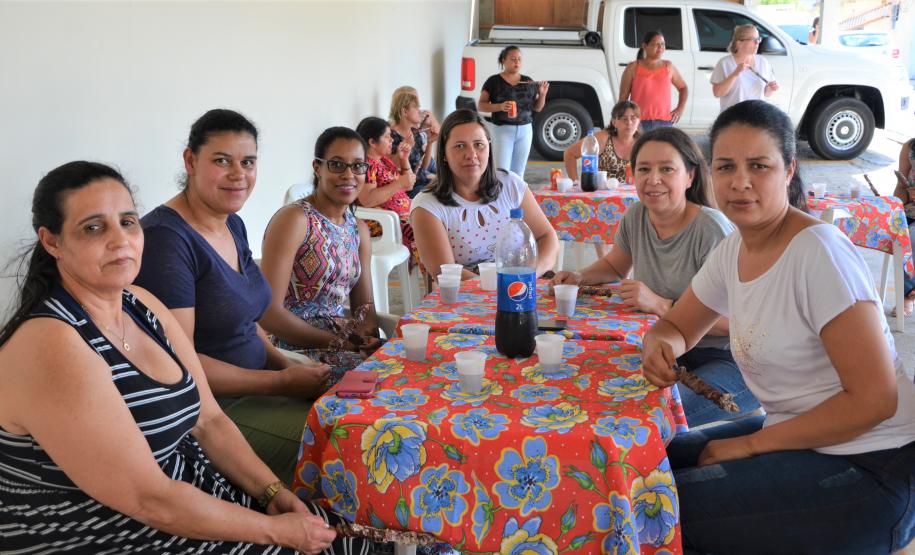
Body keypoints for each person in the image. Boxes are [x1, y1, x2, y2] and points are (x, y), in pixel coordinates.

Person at [0, 161, 367, 554]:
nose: (120, 239)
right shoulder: (51, 343)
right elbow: (148, 499)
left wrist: (273, 493)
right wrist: (276, 531)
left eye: (127, 221)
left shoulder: (140, 305)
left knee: (356, 535)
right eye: (93, 228)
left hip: (189, 505)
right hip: (115, 533)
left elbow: (209, 421)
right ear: (52, 241)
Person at [642, 100, 915, 554]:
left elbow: (876, 400)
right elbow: (677, 325)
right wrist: (660, 343)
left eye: (759, 166)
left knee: (648, 509)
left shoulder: (817, 252)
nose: (740, 182)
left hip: (873, 466)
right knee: (647, 461)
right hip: (801, 435)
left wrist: (752, 444)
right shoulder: (734, 249)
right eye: (726, 166)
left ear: (789, 170)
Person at [135, 109, 328, 484]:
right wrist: (280, 384)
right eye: (222, 161)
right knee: (347, 440)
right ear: (191, 161)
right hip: (211, 411)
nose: (238, 174)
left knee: (364, 401)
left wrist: (284, 366)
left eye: (248, 161)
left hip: (261, 379)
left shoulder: (231, 223)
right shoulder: (166, 241)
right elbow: (180, 363)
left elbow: (246, 321)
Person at [552, 127, 758, 427]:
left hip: (730, 361)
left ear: (690, 176)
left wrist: (663, 306)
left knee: (650, 418)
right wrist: (577, 276)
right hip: (666, 349)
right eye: (644, 169)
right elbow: (614, 266)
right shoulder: (637, 215)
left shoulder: (712, 230)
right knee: (592, 390)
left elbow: (744, 324)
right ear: (631, 174)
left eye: (667, 169)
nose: (653, 179)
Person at [259, 126, 381, 384]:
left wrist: (367, 338)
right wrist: (338, 342)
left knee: (405, 364)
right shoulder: (295, 219)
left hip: (341, 342)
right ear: (317, 167)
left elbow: (364, 305)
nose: (349, 175)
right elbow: (269, 314)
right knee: (382, 381)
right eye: (337, 165)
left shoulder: (358, 229)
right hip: (293, 348)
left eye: (358, 166)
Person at [410, 109, 559, 280]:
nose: (471, 155)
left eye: (479, 144)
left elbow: (547, 237)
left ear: (489, 147)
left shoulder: (510, 184)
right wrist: (499, 287)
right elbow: (445, 271)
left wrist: (530, 275)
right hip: (469, 296)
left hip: (523, 282)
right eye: (460, 146)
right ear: (444, 153)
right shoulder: (427, 206)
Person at [563, 100, 642, 258]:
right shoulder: (602, 138)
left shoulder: (642, 143)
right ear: (614, 122)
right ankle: (604, 258)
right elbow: (569, 153)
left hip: (630, 194)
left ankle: (627, 259)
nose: (629, 123)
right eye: (624, 118)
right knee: (598, 208)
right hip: (601, 193)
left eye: (634, 118)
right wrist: (576, 181)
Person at [477, 45, 550, 177]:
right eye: (513, 59)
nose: (517, 62)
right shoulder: (493, 81)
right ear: (503, 61)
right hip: (502, 129)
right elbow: (481, 105)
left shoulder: (528, 81)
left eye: (519, 59)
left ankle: (517, 198)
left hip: (525, 130)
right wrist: (499, 107)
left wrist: (543, 94)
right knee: (502, 171)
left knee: (519, 172)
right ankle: (501, 197)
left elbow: (537, 108)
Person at [355, 116, 415, 254]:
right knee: (422, 227)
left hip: (402, 214)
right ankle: (434, 272)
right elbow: (367, 200)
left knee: (433, 215)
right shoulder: (367, 166)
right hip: (381, 221)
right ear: (372, 142)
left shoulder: (384, 161)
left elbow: (409, 185)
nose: (392, 140)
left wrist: (404, 160)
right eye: (387, 137)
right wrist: (399, 183)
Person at [618, 31, 688, 131]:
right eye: (656, 44)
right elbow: (622, 99)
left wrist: (680, 109)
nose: (660, 47)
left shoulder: (669, 66)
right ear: (645, 46)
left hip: (664, 123)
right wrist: (625, 121)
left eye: (662, 44)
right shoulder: (633, 67)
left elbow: (683, 88)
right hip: (638, 123)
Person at [711, 24, 780, 112]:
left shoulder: (763, 62)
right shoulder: (725, 63)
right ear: (739, 43)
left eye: (758, 39)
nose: (757, 43)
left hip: (757, 116)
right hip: (733, 118)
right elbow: (717, 93)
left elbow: (766, 94)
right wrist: (735, 74)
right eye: (753, 40)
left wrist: (770, 89)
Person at [389, 86, 439, 198]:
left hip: (421, 181)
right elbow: (390, 169)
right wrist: (405, 149)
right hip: (407, 189)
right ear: (405, 111)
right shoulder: (391, 135)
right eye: (416, 107)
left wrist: (430, 143)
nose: (419, 111)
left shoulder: (417, 133)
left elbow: (424, 166)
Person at [892, 137, 915, 316]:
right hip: (909, 211)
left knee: (910, 237)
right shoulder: (910, 146)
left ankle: (908, 295)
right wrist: (903, 190)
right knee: (896, 233)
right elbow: (900, 194)